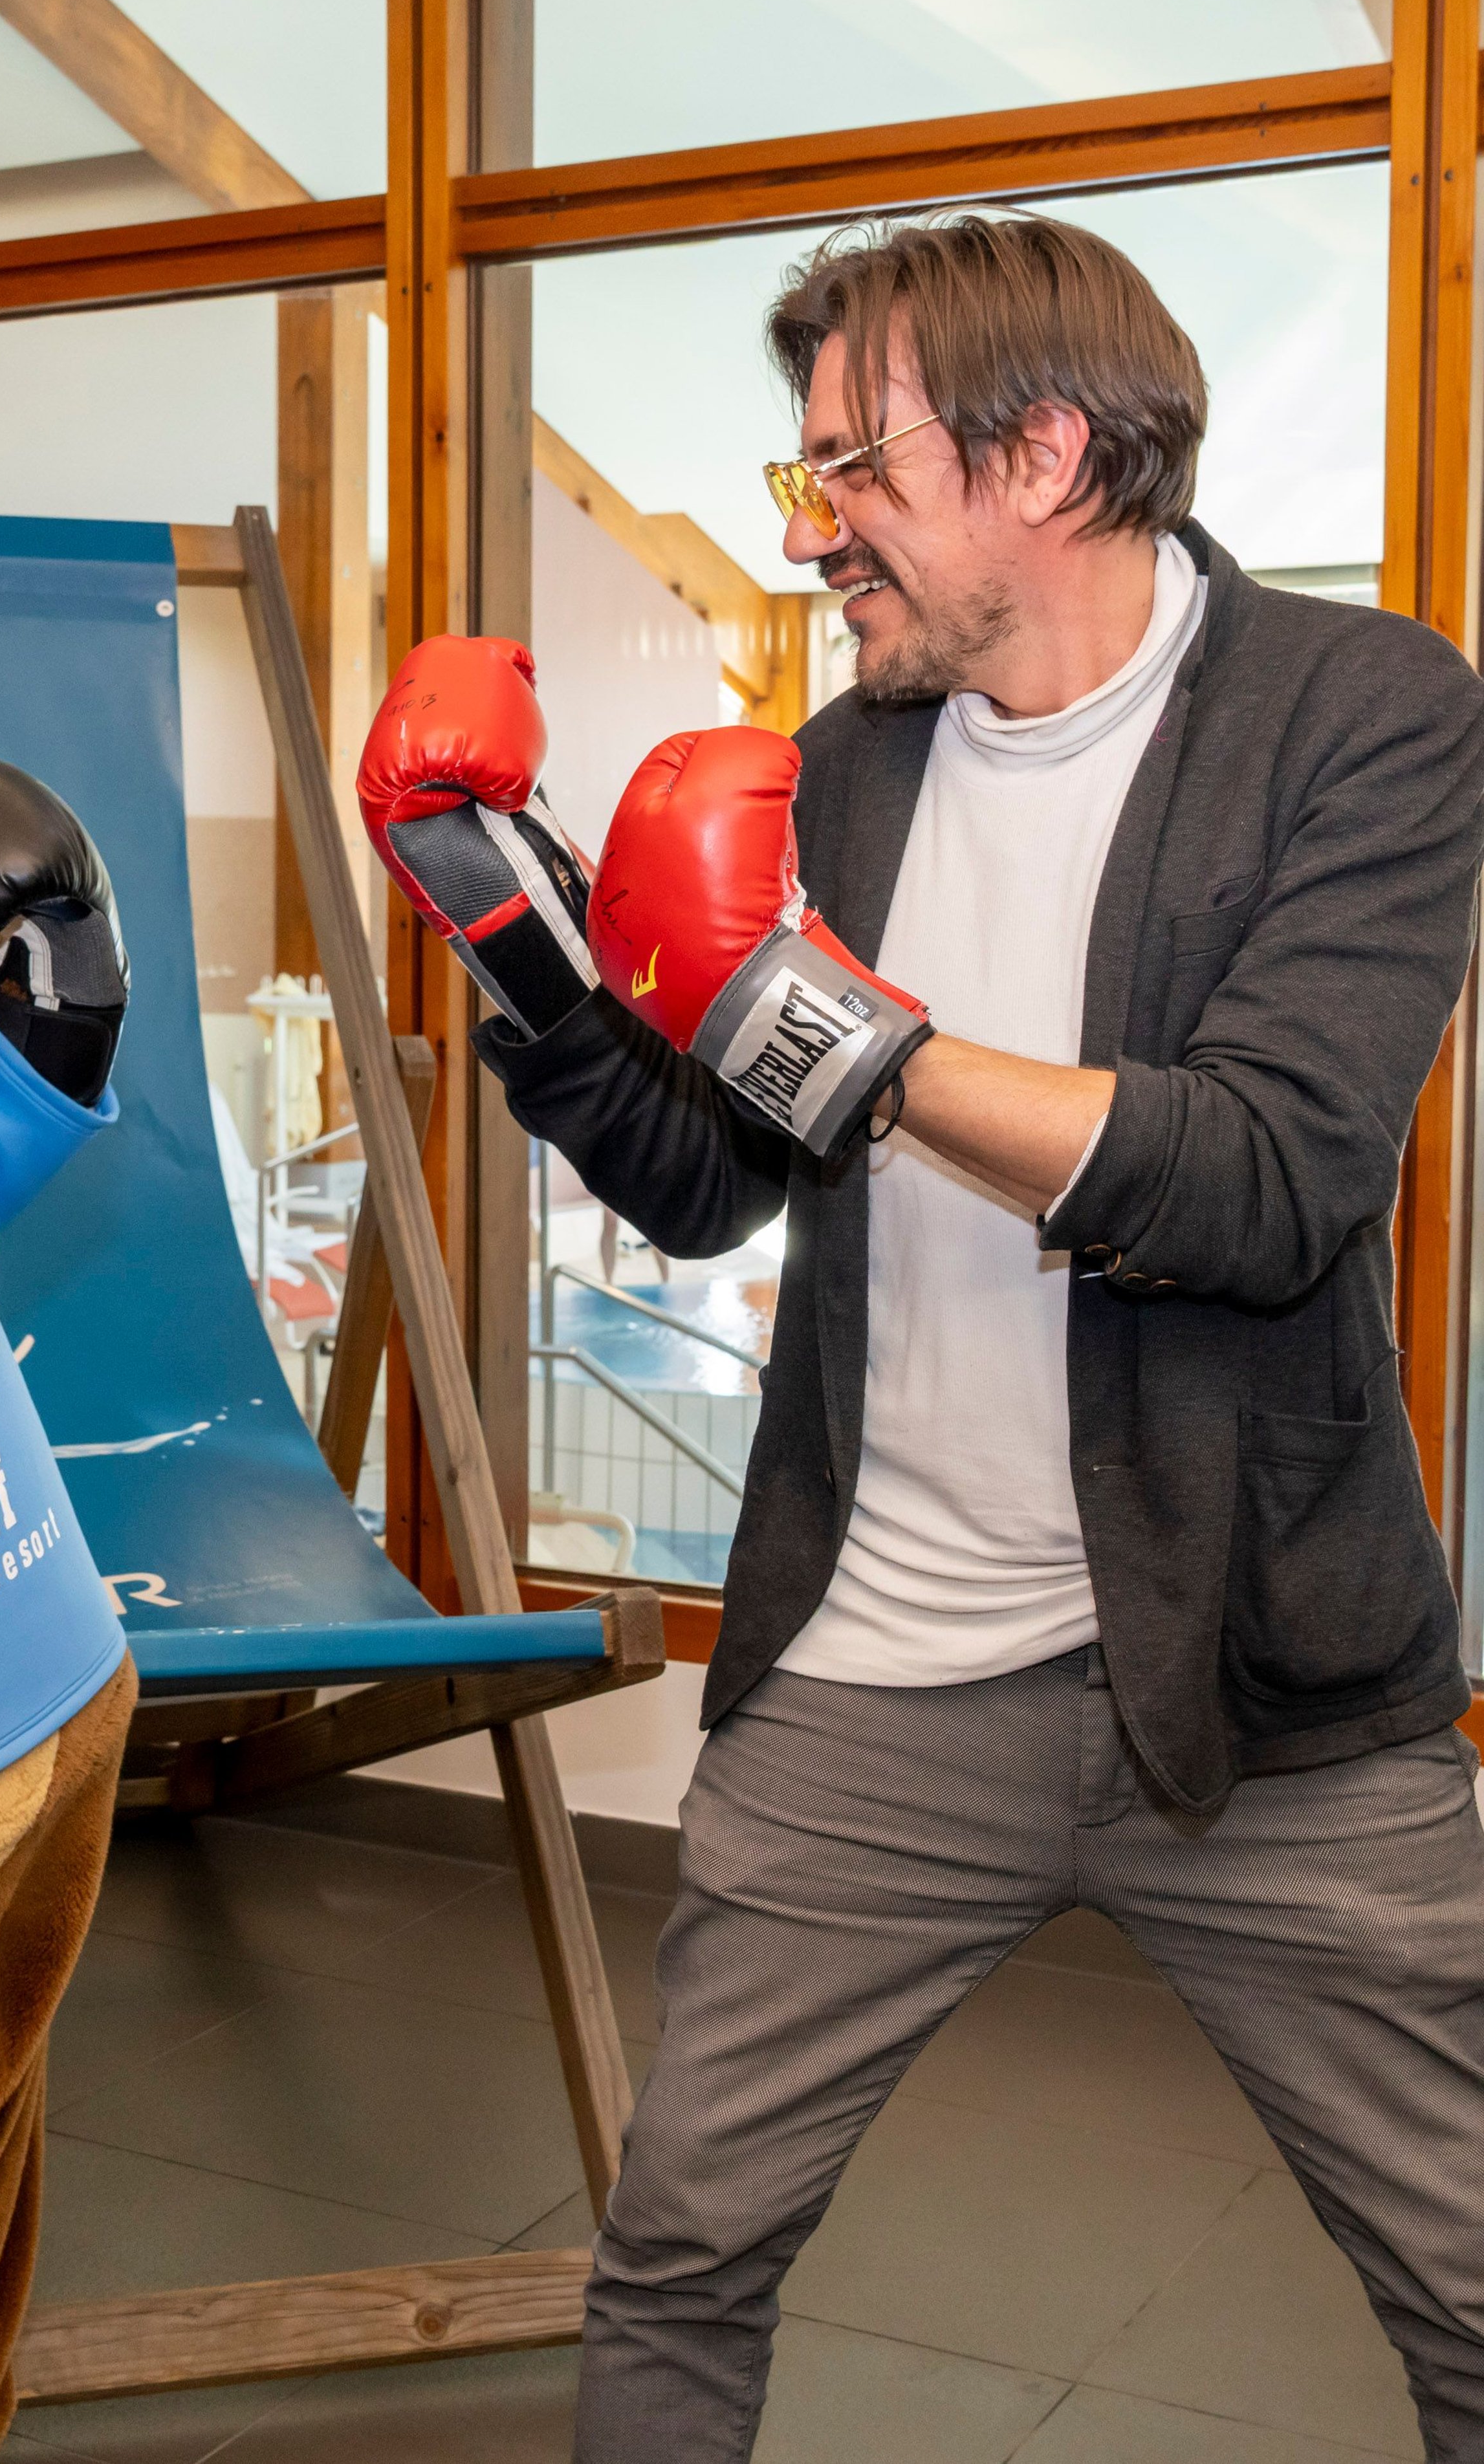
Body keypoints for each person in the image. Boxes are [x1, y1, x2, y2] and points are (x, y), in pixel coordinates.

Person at [355, 212, 1484, 2461]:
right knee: (679, 2257)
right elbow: (702, 1177)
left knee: (1471, 2287)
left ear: (1043, 454)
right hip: (878, 1674)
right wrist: (522, 943)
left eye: (847, 470)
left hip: (1266, 1684)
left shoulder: (1362, 717)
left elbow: (1263, 1188)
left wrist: (843, 1033)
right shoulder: (853, 763)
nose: (816, 530)